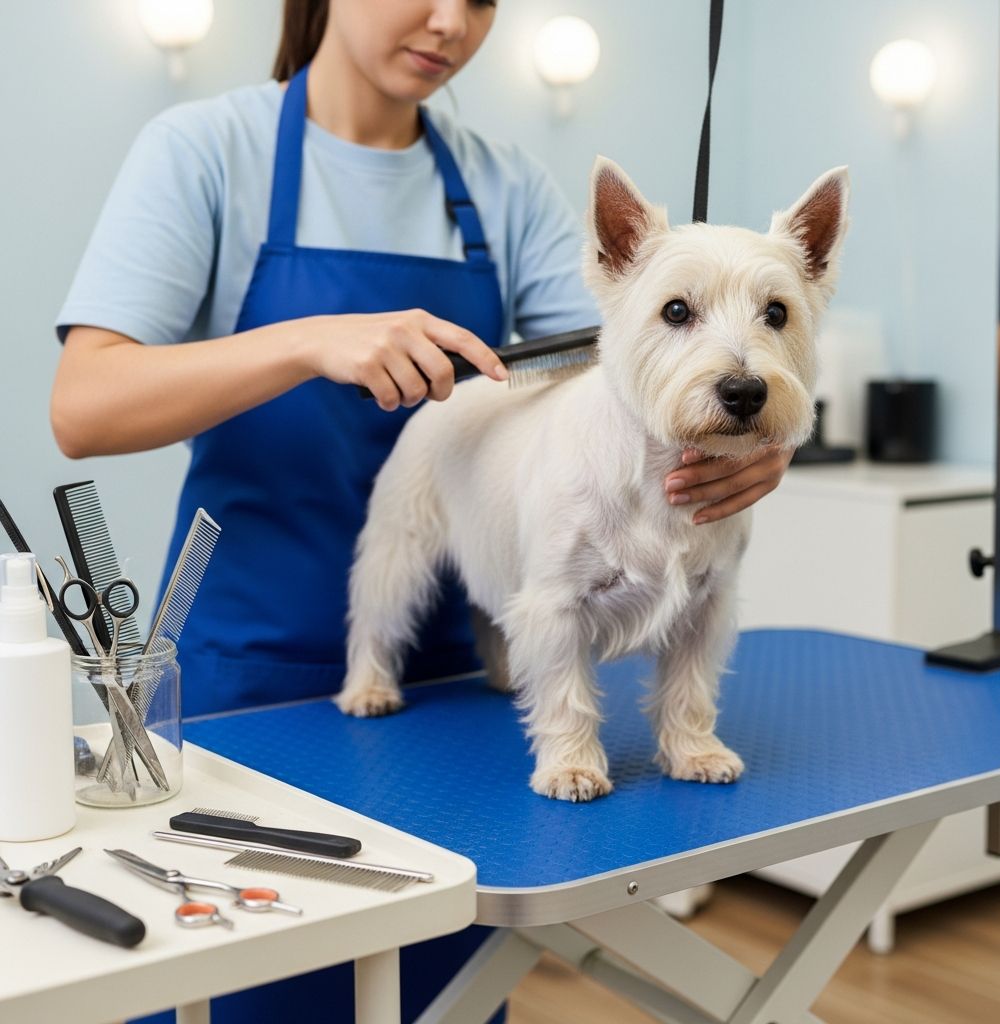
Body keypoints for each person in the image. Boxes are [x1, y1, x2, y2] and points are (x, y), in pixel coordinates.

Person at [51, 1, 793, 1020]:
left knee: (436, 1001)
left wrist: (743, 433)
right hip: (242, 684)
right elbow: (82, 408)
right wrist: (310, 340)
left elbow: (626, 367)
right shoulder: (203, 149)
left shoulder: (502, 184)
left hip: (460, 690)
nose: (451, 20)